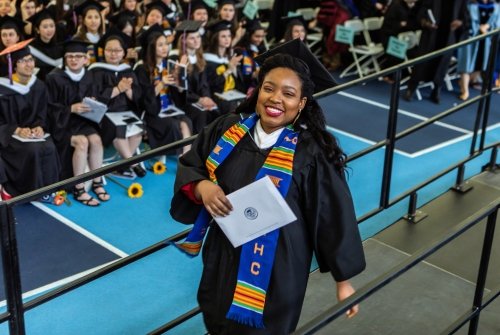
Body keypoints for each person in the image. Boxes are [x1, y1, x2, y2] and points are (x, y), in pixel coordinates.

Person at [170, 39, 366, 334]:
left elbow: (331, 212)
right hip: (225, 253)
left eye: (289, 94)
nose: (276, 99)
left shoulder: (310, 152)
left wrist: (344, 280)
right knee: (218, 318)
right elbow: (192, 164)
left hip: (279, 265)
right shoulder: (228, 129)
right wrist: (202, 188)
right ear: (258, 91)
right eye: (269, 88)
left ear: (301, 103)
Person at [46, 39, 110, 206]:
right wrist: (70, 109)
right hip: (62, 124)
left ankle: (97, 182)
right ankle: (79, 189)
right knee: (82, 142)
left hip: (83, 122)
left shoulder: (90, 76)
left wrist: (93, 103)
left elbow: (97, 99)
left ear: (85, 59)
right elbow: (49, 108)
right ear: (65, 59)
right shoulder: (54, 78)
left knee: (96, 141)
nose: (74, 59)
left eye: (78, 56)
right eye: (70, 56)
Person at [0, 40, 60, 196]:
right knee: (32, 149)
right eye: (22, 61)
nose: (28, 64)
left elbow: (43, 114)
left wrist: (40, 127)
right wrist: (17, 130)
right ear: (13, 65)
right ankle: (27, 191)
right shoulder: (2, 88)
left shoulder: (38, 85)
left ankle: (48, 190)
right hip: (9, 136)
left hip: (32, 135)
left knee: (49, 147)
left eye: (30, 60)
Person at [89, 28, 146, 178]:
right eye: (109, 50)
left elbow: (138, 98)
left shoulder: (128, 70)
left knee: (138, 130)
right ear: (103, 51)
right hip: (104, 115)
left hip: (125, 112)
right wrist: (117, 89)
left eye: (117, 50)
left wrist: (128, 91)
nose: (113, 54)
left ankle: (123, 165)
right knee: (119, 129)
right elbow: (94, 99)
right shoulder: (96, 71)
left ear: (123, 52)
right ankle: (133, 163)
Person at [134, 23, 192, 155]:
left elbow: (178, 93)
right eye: (160, 45)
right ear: (151, 47)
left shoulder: (168, 65)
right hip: (150, 112)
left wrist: (180, 80)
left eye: (166, 44)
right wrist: (161, 84)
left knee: (186, 121)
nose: (165, 48)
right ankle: (179, 155)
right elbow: (141, 99)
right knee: (171, 125)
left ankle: (186, 156)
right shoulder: (142, 68)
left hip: (168, 107)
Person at [403, 0, 469, 103]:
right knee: (421, 62)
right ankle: (411, 88)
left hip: (448, 35)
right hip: (431, 34)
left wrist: (460, 23)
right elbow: (419, 11)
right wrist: (425, 22)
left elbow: (465, 17)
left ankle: (436, 90)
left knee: (442, 65)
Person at [456, 0, 499, 101]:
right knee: (466, 64)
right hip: (470, 37)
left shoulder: (495, 6)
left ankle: (468, 81)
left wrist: (488, 27)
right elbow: (463, 19)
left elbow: (497, 22)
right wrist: (478, 27)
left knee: (480, 64)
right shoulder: (469, 4)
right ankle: (465, 91)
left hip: (486, 40)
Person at [27, 8, 64, 81]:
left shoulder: (61, 46)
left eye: (52, 26)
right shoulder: (30, 49)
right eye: (45, 27)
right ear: (37, 30)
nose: (49, 30)